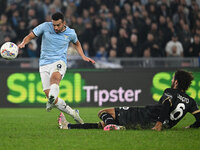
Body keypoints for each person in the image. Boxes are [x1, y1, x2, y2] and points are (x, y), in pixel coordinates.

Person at [18, 12, 95, 124]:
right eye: (54, 25)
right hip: (44, 64)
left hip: (59, 61)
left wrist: (83, 56)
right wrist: (23, 43)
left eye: (58, 25)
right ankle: (73, 112)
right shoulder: (45, 26)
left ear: (64, 22)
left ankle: (51, 99)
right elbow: (30, 36)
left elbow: (77, 43)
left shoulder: (71, 33)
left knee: (55, 78)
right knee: (50, 95)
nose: (55, 27)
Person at [58, 70, 200, 131]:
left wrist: (158, 125)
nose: (171, 80)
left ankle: (115, 127)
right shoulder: (191, 101)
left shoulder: (170, 92)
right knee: (104, 123)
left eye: (173, 78)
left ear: (176, 83)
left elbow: (165, 106)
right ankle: (69, 126)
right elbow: (199, 119)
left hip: (148, 116)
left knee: (103, 112)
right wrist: (191, 127)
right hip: (158, 123)